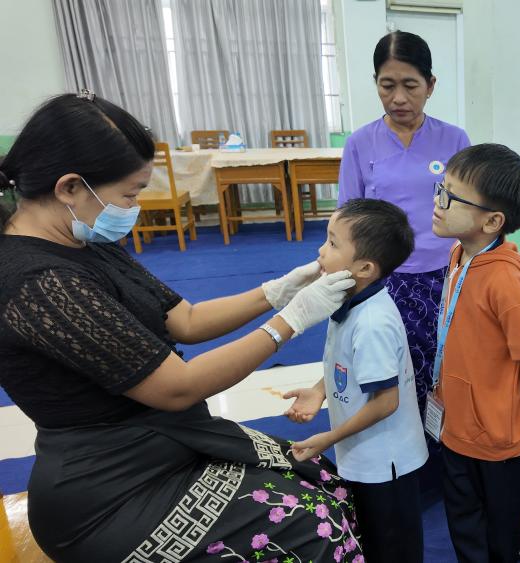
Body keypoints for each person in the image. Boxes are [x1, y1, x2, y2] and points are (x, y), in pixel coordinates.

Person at [0, 93, 362, 561]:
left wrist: (277, 290)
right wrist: (289, 321)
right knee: (313, 525)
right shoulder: (39, 282)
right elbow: (178, 388)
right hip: (107, 489)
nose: (133, 205)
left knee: (318, 473)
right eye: (129, 194)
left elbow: (185, 320)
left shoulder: (82, 238)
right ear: (70, 187)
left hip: (158, 441)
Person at [430, 143, 520, 563]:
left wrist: (503, 397)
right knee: (463, 522)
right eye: (439, 188)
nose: (438, 202)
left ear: (492, 221)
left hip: (499, 436)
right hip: (456, 425)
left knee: (500, 531)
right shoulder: (458, 254)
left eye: (450, 196)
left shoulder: (503, 281)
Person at [281, 199, 428, 563]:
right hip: (363, 454)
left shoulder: (373, 323)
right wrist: (319, 391)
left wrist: (327, 439)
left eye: (332, 243)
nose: (320, 251)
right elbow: (347, 365)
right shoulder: (350, 298)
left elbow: (385, 401)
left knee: (392, 547)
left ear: (364, 267)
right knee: (373, 539)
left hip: (385, 463)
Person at [337, 31, 471, 427]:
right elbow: (348, 218)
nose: (398, 98)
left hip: (445, 276)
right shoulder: (360, 143)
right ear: (375, 83)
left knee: (444, 363)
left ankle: (443, 444)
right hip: (384, 279)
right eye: (387, 85)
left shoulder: (454, 139)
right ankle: (400, 448)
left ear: (430, 85)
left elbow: (470, 209)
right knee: (390, 367)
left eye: (410, 85)